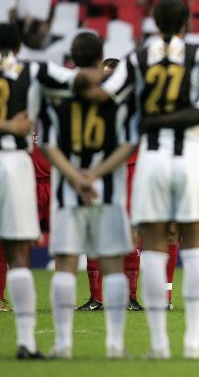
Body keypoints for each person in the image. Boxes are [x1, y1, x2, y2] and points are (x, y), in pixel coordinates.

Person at [78, 0, 199, 359]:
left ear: (154, 22)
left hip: (150, 161)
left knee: (153, 249)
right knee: (196, 247)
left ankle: (158, 344)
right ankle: (194, 343)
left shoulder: (136, 58)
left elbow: (101, 96)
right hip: (192, 161)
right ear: (187, 23)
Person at [38, 32, 137, 358]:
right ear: (100, 58)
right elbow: (127, 144)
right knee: (111, 263)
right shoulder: (115, 100)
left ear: (72, 58)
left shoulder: (57, 98)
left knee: (66, 263)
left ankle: (63, 344)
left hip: (69, 190)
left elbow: (47, 144)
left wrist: (76, 177)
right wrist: (95, 174)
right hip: (107, 190)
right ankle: (115, 343)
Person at [0, 22, 81, 359]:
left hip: (22, 165)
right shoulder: (34, 69)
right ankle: (26, 342)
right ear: (20, 46)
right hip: (15, 162)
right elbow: (79, 82)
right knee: (19, 252)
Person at [75, 58, 143, 312]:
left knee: (130, 236)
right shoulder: (89, 105)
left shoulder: (133, 106)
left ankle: (130, 297)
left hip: (130, 173)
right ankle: (97, 298)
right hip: (99, 174)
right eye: (104, 77)